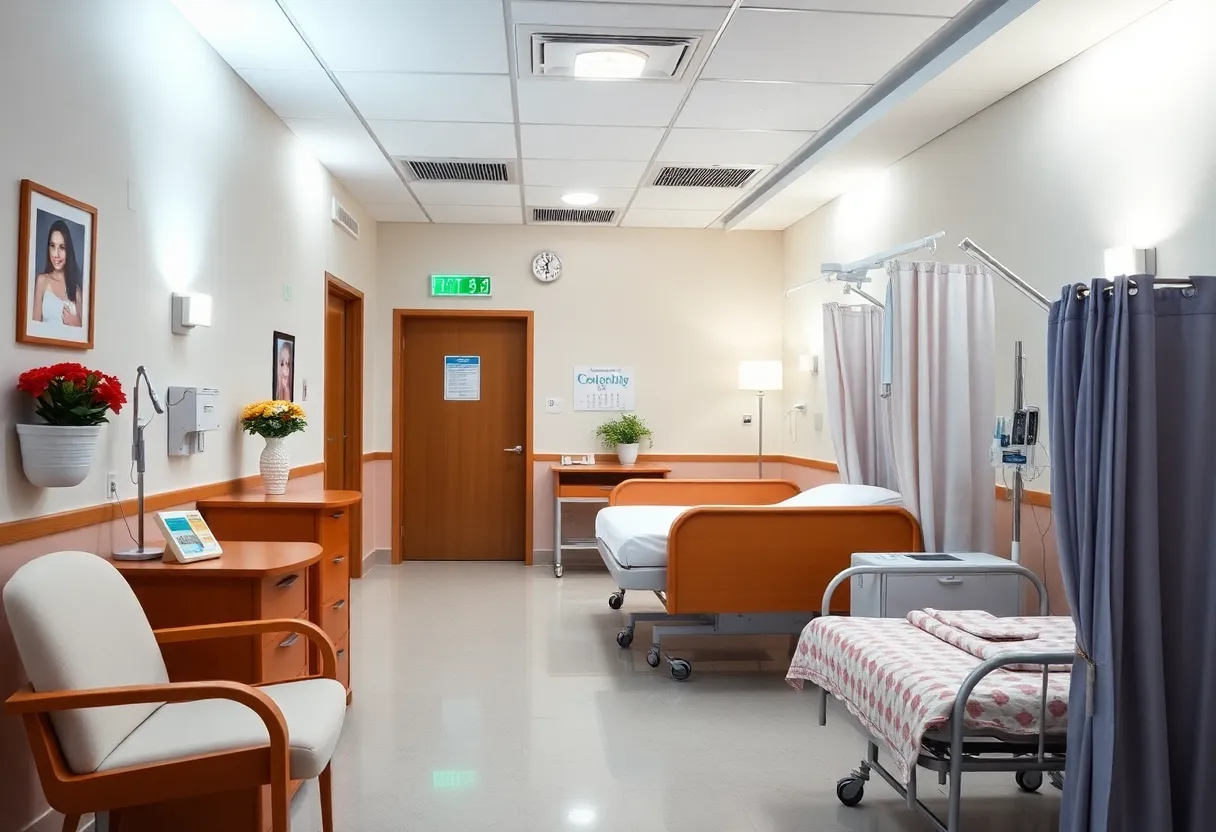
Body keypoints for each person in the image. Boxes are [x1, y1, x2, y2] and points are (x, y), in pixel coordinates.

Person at [32, 219, 84, 328]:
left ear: (68, 250)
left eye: (62, 247)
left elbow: (83, 332)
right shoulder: (42, 280)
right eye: (52, 246)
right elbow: (34, 326)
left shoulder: (76, 291)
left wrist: (76, 323)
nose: (56, 254)